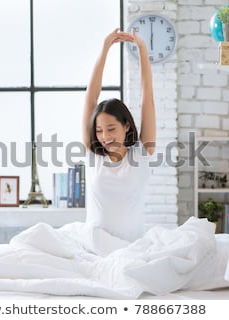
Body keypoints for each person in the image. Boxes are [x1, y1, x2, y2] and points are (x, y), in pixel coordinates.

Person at [82, 28, 156, 245]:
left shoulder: (141, 153)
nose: (105, 136)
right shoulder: (93, 155)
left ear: (126, 126)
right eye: (99, 130)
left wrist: (142, 48)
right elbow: (90, 98)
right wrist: (105, 49)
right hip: (95, 247)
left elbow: (147, 97)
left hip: (131, 248)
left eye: (111, 128)